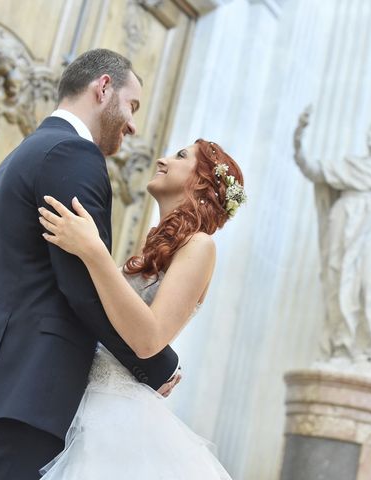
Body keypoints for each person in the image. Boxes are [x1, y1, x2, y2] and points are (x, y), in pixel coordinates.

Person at [0, 49, 180, 479]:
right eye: (132, 105)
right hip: (29, 389)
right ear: (103, 88)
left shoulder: (25, 152)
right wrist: (154, 364)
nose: (134, 125)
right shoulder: (73, 155)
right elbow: (83, 284)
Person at [37, 138, 245, 478]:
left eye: (180, 156)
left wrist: (93, 252)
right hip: (78, 398)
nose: (162, 160)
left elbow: (149, 339)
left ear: (203, 182)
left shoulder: (200, 246)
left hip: (113, 414)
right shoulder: (156, 247)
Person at [293, 107, 371, 380]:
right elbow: (312, 169)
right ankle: (342, 348)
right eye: (370, 129)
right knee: (342, 283)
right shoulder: (349, 165)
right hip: (344, 223)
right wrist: (298, 139)